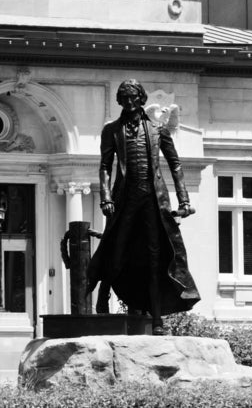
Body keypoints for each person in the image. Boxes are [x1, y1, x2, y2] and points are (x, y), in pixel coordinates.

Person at [87, 79, 200, 334]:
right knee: (115, 250)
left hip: (153, 200)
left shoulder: (158, 130)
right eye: (124, 98)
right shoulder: (112, 130)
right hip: (124, 200)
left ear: (141, 99)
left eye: (133, 97)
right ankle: (103, 293)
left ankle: (157, 318)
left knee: (155, 258)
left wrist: (184, 200)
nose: (129, 102)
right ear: (119, 101)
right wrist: (105, 197)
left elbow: (176, 164)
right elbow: (105, 166)